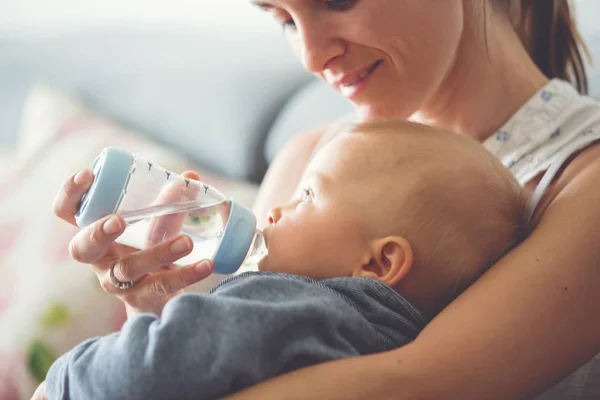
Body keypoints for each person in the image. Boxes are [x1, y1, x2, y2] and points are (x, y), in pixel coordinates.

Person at [49, 0, 600, 398]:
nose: (312, 57)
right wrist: (157, 309)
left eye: (338, 0)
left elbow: (412, 383)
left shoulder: (582, 181)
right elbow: (256, 347)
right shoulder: (308, 155)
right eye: (284, 18)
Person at [44, 121, 527, 399]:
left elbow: (163, 361)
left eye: (309, 196)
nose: (276, 208)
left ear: (379, 264)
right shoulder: (373, 333)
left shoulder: (296, 304)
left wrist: (62, 380)